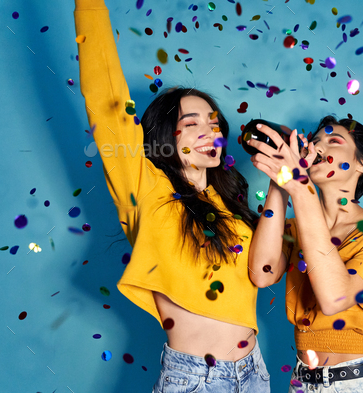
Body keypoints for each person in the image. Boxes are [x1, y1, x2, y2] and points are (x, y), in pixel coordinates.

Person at [73, 1, 271, 391]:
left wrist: (289, 180)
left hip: (254, 373)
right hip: (197, 378)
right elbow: (104, 97)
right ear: (167, 135)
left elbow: (271, 267)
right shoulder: (145, 186)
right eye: (191, 121)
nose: (209, 130)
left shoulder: (232, 207)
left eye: (214, 123)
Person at [247, 116, 363, 392]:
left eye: (334, 141)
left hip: (358, 382)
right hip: (302, 383)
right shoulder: (294, 228)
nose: (319, 147)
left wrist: (300, 188)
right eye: (316, 141)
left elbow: (336, 299)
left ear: (362, 163)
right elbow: (262, 274)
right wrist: (281, 181)